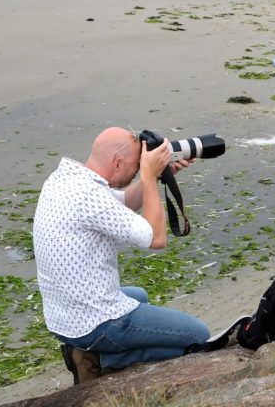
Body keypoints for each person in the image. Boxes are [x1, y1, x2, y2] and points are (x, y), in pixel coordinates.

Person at [32, 127, 210, 384]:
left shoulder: (67, 179)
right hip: (94, 324)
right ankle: (100, 361)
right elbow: (156, 239)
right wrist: (149, 178)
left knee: (139, 295)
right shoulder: (90, 198)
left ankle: (85, 349)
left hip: (65, 316)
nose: (138, 170)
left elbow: (125, 200)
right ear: (117, 162)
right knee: (199, 337)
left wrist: (162, 173)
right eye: (136, 165)